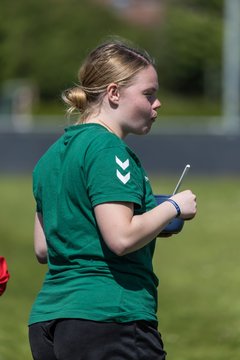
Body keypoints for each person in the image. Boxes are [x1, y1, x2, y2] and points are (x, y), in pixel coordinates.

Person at [28, 39, 197, 360]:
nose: (157, 103)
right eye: (148, 94)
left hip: (49, 323)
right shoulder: (109, 149)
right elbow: (120, 238)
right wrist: (173, 207)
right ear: (114, 93)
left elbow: (44, 247)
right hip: (110, 316)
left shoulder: (50, 158)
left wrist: (150, 220)